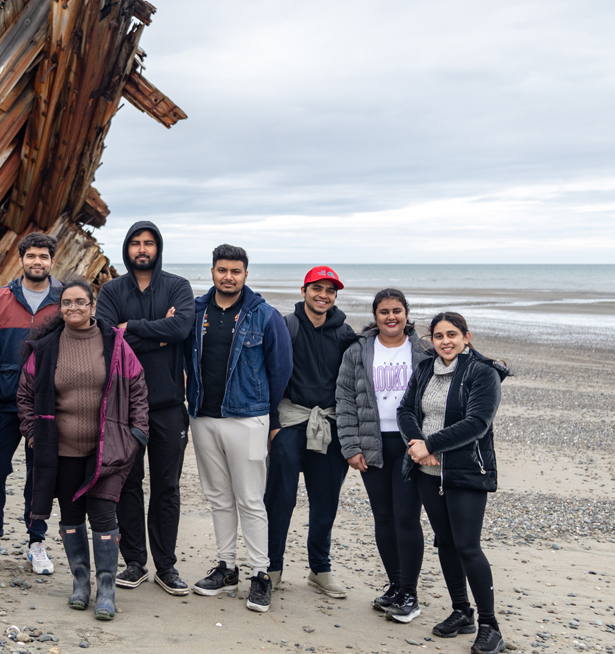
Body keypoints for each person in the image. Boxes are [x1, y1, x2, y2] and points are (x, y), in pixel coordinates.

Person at [17, 276, 149, 621]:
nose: (73, 308)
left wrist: (137, 435)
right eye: (66, 303)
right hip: (59, 451)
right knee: (72, 517)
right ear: (59, 309)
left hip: (107, 450)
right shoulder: (45, 349)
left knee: (104, 516)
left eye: (80, 302)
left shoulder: (116, 344)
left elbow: (137, 388)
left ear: (93, 305)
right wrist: (34, 434)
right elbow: (26, 395)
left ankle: (107, 589)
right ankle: (81, 584)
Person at [185, 244, 293, 613]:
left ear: (246, 274)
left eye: (235, 270)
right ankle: (226, 566)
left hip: (247, 418)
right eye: (221, 270)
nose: (227, 276)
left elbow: (280, 370)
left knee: (250, 499)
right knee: (218, 496)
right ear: (212, 272)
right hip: (203, 416)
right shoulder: (196, 311)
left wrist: (264, 413)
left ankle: (261, 574)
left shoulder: (265, 315)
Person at [397, 312, 509, 654]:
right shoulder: (424, 370)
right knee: (445, 542)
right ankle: (462, 612)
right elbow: (405, 411)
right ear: (431, 340)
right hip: (427, 473)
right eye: (438, 336)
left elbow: (478, 423)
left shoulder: (482, 373)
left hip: (464, 472)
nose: (445, 341)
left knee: (467, 546)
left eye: (452, 335)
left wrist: (432, 445)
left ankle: (490, 625)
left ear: (466, 337)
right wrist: (418, 447)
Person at [95, 221, 195, 596]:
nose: (142, 248)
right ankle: (135, 561)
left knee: (167, 486)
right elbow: (106, 337)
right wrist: (160, 331)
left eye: (149, 243)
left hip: (169, 404)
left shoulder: (177, 286)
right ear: (127, 248)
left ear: (158, 248)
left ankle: (166, 566)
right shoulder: (111, 289)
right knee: (128, 483)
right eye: (136, 242)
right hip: (123, 405)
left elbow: (182, 329)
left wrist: (133, 327)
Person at [336, 288, 432, 622]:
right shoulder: (359, 351)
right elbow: (345, 400)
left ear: (407, 313)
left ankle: (410, 594)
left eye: (397, 311)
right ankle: (395, 585)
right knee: (384, 518)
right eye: (384, 312)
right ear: (375, 316)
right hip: (372, 444)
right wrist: (350, 446)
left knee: (406, 517)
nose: (391, 317)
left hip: (412, 446)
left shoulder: (423, 350)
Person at [0, 232, 62, 575]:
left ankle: (36, 542)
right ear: (21, 259)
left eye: (44, 256)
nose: (37, 261)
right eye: (32, 255)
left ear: (52, 261)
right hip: (5, 404)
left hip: (46, 405)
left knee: (40, 475)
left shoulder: (64, 300)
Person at [264, 266, 357, 597]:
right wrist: (272, 426)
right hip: (290, 422)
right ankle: (272, 567)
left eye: (330, 290)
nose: (323, 295)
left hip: (329, 427)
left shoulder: (346, 335)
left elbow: (386, 352)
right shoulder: (285, 327)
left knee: (325, 501)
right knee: (279, 498)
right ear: (303, 291)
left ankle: (320, 569)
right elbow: (266, 375)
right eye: (317, 288)